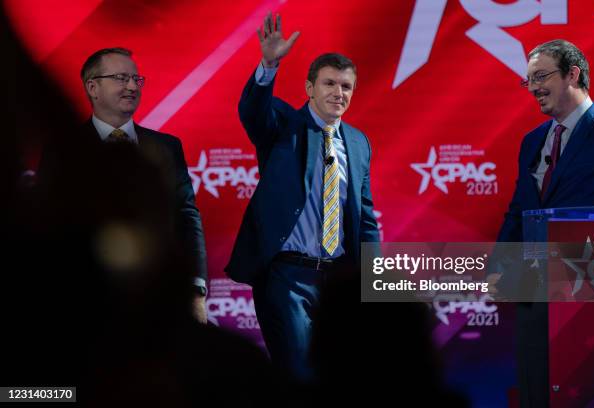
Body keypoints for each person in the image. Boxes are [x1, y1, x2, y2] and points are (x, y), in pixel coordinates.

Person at [225, 13, 380, 381]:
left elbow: (366, 216)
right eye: (329, 83)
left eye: (346, 86)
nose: (337, 93)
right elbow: (253, 112)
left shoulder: (358, 142)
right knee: (298, 374)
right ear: (309, 88)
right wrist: (269, 64)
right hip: (288, 278)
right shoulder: (283, 124)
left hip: (339, 280)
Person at [48, 47, 209, 322]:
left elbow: (186, 216)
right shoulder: (63, 149)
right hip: (84, 302)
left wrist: (195, 290)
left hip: (157, 298)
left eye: (137, 79)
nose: (132, 86)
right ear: (93, 87)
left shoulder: (167, 147)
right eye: (121, 78)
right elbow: (49, 225)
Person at [492, 39, 594, 407]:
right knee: (536, 390)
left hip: (592, 296)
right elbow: (519, 211)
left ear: (573, 74)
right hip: (533, 289)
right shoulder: (532, 142)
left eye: (541, 76)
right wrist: (497, 268)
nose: (534, 88)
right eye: (528, 81)